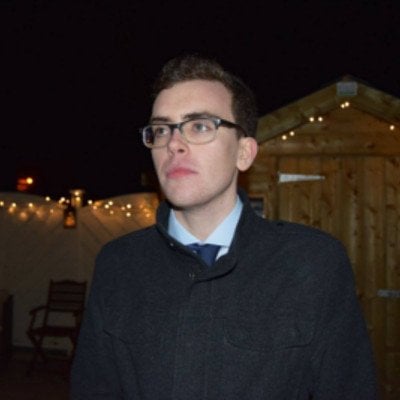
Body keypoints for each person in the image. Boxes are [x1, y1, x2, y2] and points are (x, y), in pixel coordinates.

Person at [71, 55, 377, 399]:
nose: (173, 143)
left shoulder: (312, 264)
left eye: (200, 126)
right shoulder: (118, 264)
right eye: (161, 130)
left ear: (244, 153)